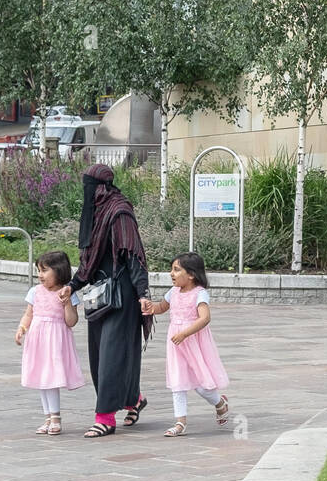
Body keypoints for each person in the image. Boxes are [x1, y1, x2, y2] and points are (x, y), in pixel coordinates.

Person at [61, 164, 152, 439]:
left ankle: (105, 418)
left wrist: (143, 295)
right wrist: (72, 285)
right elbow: (89, 263)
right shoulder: (97, 213)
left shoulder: (119, 212)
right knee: (100, 356)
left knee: (112, 357)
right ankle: (133, 399)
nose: (87, 192)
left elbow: (133, 257)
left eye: (89, 185)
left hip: (122, 296)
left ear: (100, 187)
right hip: (99, 297)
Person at [142, 252, 231, 437]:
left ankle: (220, 403)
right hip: (176, 345)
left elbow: (205, 318)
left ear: (191, 274)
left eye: (176, 270)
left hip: (194, 343)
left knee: (201, 385)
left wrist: (184, 333)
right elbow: (161, 307)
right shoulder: (173, 292)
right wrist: (150, 307)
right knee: (178, 380)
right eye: (171, 269)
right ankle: (180, 422)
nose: (171, 273)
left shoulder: (199, 293)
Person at [15, 250, 84, 436]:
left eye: (44, 270)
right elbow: (28, 314)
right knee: (41, 379)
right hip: (37, 340)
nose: (40, 275)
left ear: (59, 271)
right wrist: (22, 328)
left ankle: (55, 417)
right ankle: (47, 416)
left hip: (54, 341)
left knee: (50, 378)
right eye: (39, 270)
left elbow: (71, 321)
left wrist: (67, 303)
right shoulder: (34, 291)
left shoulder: (67, 293)